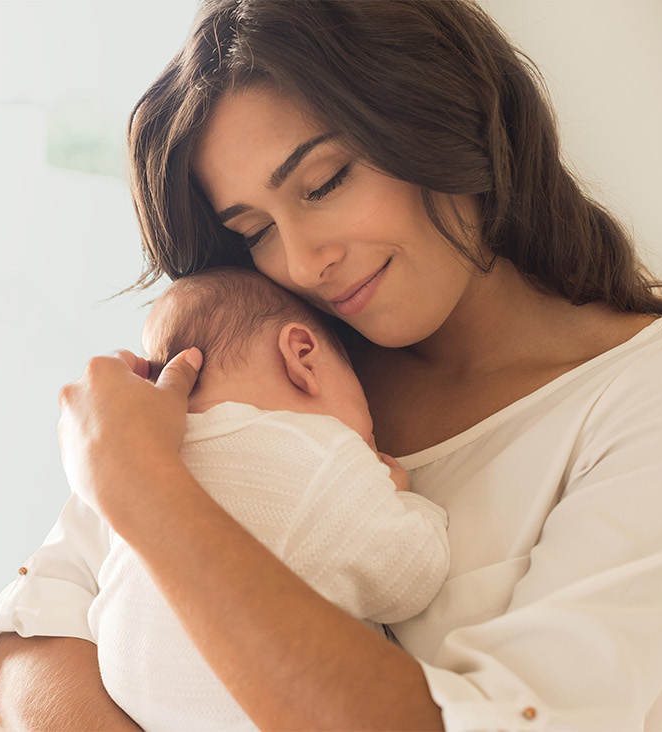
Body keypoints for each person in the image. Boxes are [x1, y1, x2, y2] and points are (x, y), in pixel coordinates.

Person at [0, 1, 662, 730]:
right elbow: (20, 654)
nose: (305, 263)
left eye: (324, 182)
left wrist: (142, 488)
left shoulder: (651, 399)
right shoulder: (268, 365)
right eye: (255, 230)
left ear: (442, 112)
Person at [88, 266, 450, 731]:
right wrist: (404, 500)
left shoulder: (145, 461)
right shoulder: (319, 452)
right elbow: (410, 578)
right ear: (303, 356)